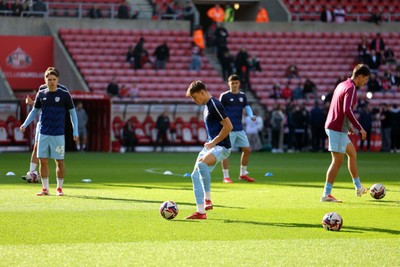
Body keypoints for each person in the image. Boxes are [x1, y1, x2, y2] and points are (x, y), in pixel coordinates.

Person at [20, 67, 79, 196]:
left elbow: (72, 113)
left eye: (54, 79)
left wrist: (75, 130)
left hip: (58, 133)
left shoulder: (64, 95)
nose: (51, 82)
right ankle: (45, 188)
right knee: (43, 160)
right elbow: (34, 111)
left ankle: (59, 188)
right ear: (45, 80)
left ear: (58, 80)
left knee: (59, 161)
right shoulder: (41, 94)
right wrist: (25, 123)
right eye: (49, 79)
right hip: (43, 133)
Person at [321, 64, 370, 203]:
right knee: (337, 161)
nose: (365, 82)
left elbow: (338, 107)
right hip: (336, 128)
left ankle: (358, 187)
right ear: (360, 77)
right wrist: (359, 127)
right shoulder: (351, 88)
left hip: (337, 126)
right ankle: (326, 194)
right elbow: (347, 110)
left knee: (352, 153)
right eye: (365, 79)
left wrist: (348, 126)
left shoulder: (342, 84)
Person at [185, 80, 233, 219]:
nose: (194, 100)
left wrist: (213, 142)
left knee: (201, 164)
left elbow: (228, 126)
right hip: (211, 145)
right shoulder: (207, 106)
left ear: (202, 92)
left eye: (194, 97)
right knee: (195, 176)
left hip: (222, 146)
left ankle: (208, 199)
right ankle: (200, 212)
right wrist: (210, 143)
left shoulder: (214, 105)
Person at [219, 74, 256, 183]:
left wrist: (251, 115)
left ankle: (243, 174)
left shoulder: (242, 96)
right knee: (225, 152)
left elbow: (247, 107)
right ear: (228, 83)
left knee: (247, 150)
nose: (234, 85)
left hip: (239, 128)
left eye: (236, 83)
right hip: (228, 129)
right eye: (232, 83)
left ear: (239, 83)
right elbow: (219, 110)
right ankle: (226, 176)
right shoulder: (224, 96)